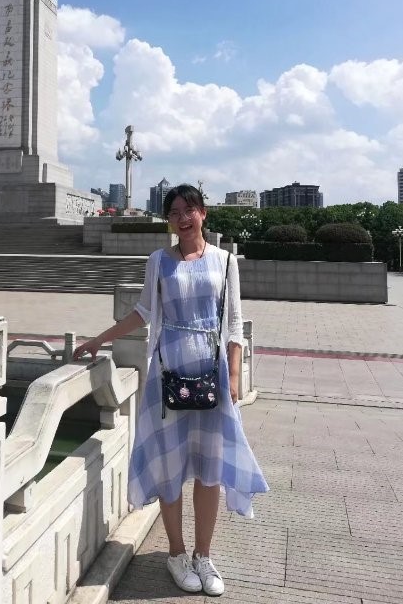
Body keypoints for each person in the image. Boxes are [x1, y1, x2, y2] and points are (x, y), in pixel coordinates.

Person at [73, 184, 268, 596]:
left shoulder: (224, 261)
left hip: (211, 376)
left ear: (203, 214)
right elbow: (144, 311)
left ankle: (204, 554)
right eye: (174, 212)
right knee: (170, 466)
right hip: (168, 376)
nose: (182, 218)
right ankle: (176, 554)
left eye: (189, 210)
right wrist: (99, 339)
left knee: (210, 470)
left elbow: (235, 322)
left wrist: (233, 376)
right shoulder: (159, 261)